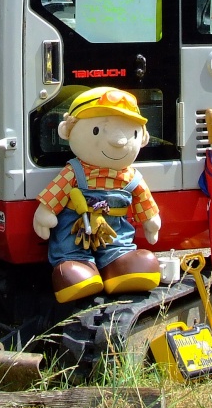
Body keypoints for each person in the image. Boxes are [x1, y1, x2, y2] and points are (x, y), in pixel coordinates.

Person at [33, 86, 162, 303]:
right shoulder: (75, 171)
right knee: (73, 266)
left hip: (115, 235)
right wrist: (45, 213)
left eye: (131, 133)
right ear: (68, 131)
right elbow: (56, 192)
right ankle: (77, 266)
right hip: (76, 234)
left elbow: (143, 199)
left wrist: (151, 220)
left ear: (142, 137)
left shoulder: (130, 177)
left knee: (130, 255)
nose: (119, 141)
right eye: (96, 130)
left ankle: (120, 265)